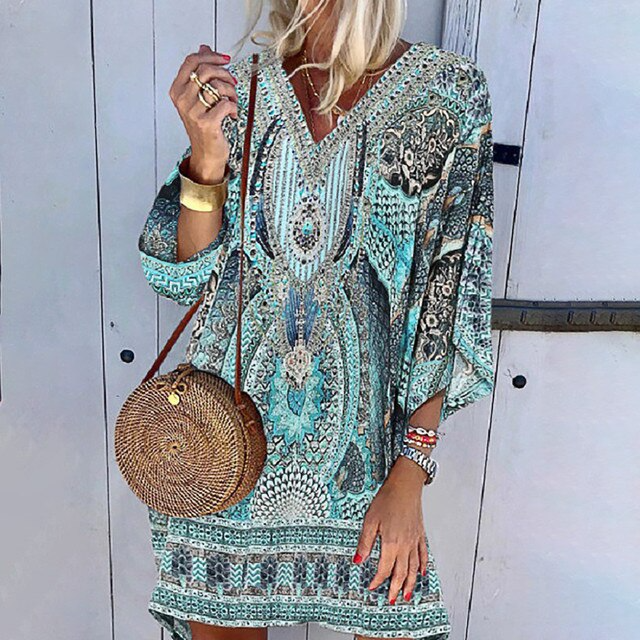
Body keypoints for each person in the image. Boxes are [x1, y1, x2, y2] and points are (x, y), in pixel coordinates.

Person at [137, 0, 495, 638]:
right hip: (223, 449)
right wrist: (206, 155)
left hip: (365, 467)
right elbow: (182, 277)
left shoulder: (447, 94)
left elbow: (447, 302)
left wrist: (411, 475)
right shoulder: (241, 88)